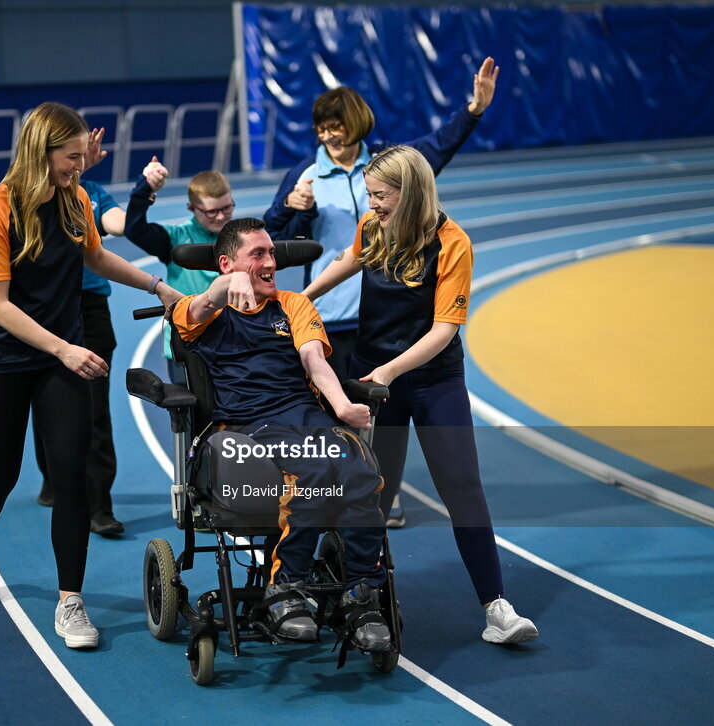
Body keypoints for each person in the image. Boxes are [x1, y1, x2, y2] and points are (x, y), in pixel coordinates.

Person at [0, 102, 181, 649]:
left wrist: (158, 287)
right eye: (71, 157)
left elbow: (97, 258)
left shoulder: (76, 197)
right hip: (1, 361)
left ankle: (70, 603)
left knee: (71, 475)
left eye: (84, 158)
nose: (79, 167)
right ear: (42, 150)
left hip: (59, 359)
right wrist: (64, 348)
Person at [301, 145, 538, 645]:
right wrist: (298, 302)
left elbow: (444, 330)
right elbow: (349, 259)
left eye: (381, 196)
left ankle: (496, 607)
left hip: (432, 382)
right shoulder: (372, 228)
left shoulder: (453, 242)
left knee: (463, 490)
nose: (372, 205)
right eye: (369, 194)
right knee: (372, 495)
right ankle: (344, 587)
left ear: (411, 194)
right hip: (374, 383)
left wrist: (388, 370)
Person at [264, 57, 500, 527]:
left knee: (382, 418)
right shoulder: (304, 175)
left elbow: (439, 147)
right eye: (322, 128)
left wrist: (473, 110)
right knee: (338, 418)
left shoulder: (388, 168)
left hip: (392, 317)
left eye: (337, 126)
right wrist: (295, 209)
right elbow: (276, 230)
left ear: (356, 125)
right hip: (332, 316)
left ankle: (378, 500)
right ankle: (348, 502)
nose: (329, 135)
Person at [170, 217, 391, 651]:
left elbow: (314, 361)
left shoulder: (293, 304)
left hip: (305, 415)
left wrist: (343, 406)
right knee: (312, 474)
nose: (271, 262)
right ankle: (286, 587)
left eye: (272, 253)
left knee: (359, 472)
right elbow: (197, 308)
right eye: (258, 254)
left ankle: (361, 593)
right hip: (249, 424)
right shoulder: (202, 311)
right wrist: (222, 288)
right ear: (227, 263)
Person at [33, 128, 125, 537]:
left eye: (81, 152)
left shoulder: (92, 193)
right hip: (44, 308)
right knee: (45, 397)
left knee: (93, 408)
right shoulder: (29, 195)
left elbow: (117, 227)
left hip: (89, 307)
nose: (80, 157)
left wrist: (145, 191)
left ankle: (98, 504)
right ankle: (53, 476)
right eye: (71, 154)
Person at [123, 159, 235, 382]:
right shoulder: (175, 238)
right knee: (189, 415)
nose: (221, 217)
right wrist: (145, 189)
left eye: (227, 208)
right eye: (211, 212)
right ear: (191, 208)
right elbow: (134, 230)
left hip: (233, 342)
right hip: (187, 346)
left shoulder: (241, 237)